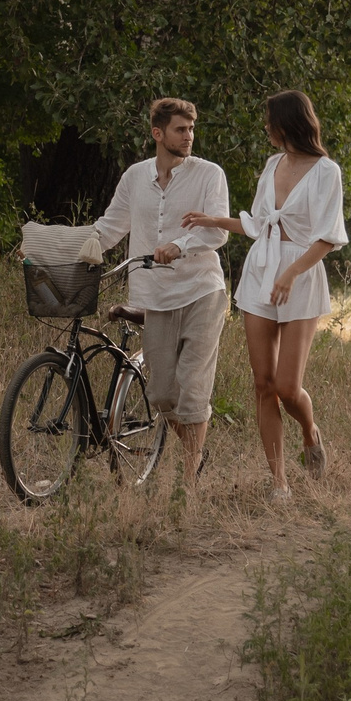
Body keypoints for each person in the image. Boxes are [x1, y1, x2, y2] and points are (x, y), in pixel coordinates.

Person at [180, 89, 347, 502]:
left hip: (300, 275)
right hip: (260, 272)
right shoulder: (273, 164)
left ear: (287, 124)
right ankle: (279, 482)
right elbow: (258, 224)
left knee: (288, 387)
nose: (266, 128)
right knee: (263, 383)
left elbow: (328, 237)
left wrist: (291, 272)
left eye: (270, 121)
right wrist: (213, 220)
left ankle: (310, 432)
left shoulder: (326, 172)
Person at [88, 98, 232, 495]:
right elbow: (109, 228)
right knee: (163, 394)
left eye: (191, 129)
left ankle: (188, 481)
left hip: (202, 291)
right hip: (154, 296)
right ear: (157, 133)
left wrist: (179, 245)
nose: (189, 136)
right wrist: (57, 248)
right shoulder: (135, 177)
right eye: (180, 129)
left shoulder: (209, 174)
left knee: (192, 388)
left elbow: (217, 230)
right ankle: (196, 453)